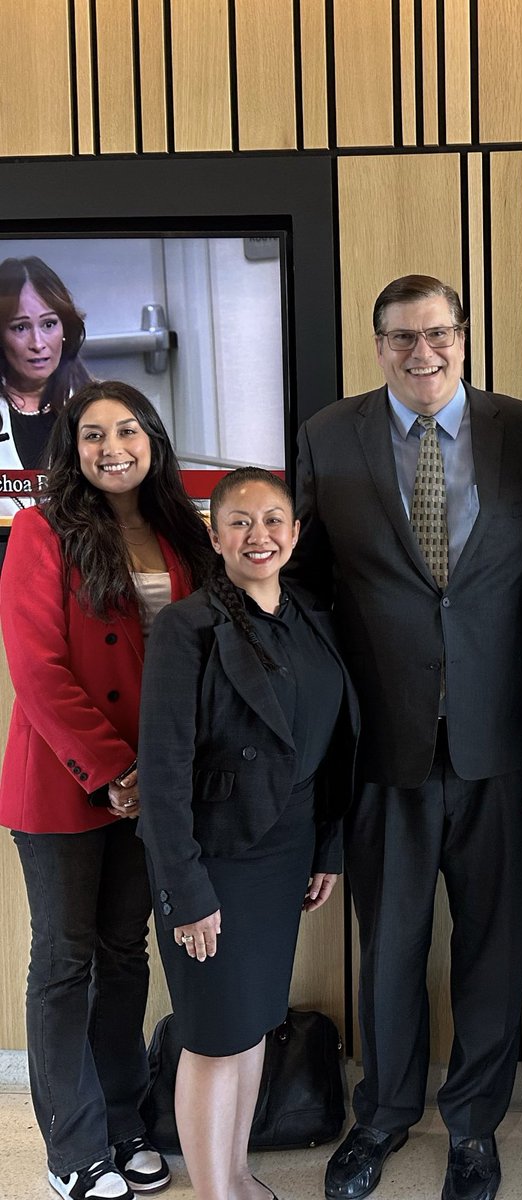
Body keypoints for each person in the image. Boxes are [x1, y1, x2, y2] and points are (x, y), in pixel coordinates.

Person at [286, 274, 522, 1200]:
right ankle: (385, 1117)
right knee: (389, 947)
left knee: (491, 947)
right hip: (382, 746)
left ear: (464, 336)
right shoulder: (328, 435)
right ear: (377, 344)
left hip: (496, 743)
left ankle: (473, 1128)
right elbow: (306, 584)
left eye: (436, 333)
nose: (421, 353)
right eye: (401, 337)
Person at [0, 379, 212, 1200]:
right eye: (92, 434)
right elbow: (39, 672)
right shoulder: (41, 531)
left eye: (126, 430)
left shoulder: (180, 532)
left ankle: (124, 1124)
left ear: (152, 439)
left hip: (152, 784)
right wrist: (112, 772)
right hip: (66, 783)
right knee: (63, 959)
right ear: (70, 448)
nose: (111, 447)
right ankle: (72, 1150)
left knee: (125, 956)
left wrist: (156, 778)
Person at [136, 466, 358, 1200]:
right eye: (239, 521)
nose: (257, 535)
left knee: (255, 1023)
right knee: (211, 1035)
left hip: (287, 851)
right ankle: (212, 1192)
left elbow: (328, 748)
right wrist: (186, 891)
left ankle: (233, 1172)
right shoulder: (186, 626)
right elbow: (161, 773)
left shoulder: (312, 618)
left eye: (272, 520)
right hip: (215, 859)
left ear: (294, 533)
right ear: (215, 533)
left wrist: (326, 848)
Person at [0, 255, 91, 515]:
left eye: (49, 324)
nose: (38, 343)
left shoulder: (98, 409)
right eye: (20, 328)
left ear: (65, 329)